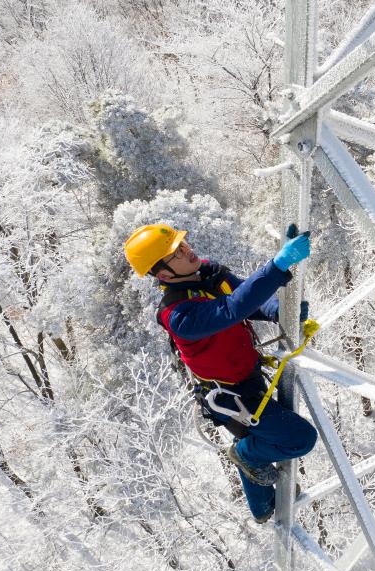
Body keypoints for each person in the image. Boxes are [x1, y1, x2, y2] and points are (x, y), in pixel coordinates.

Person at [123, 223, 317, 523]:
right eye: (177, 252)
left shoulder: (209, 274)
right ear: (163, 274)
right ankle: (245, 456)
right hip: (232, 398)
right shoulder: (179, 316)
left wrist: (279, 310)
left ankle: (262, 507)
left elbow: (248, 298)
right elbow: (232, 309)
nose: (188, 250)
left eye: (183, 245)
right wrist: (278, 266)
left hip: (247, 379)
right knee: (299, 439)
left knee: (273, 441)